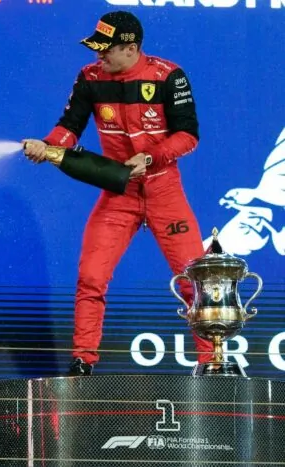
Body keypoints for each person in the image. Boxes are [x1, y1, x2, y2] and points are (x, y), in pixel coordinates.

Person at [22, 11, 213, 376]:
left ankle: (211, 363)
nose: (99, 56)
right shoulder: (90, 77)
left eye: (105, 49)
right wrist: (47, 145)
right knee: (91, 277)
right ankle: (83, 362)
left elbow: (188, 135)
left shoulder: (168, 76)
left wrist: (151, 157)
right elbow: (69, 128)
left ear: (130, 48)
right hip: (118, 193)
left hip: (164, 190)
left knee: (195, 281)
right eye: (97, 49)